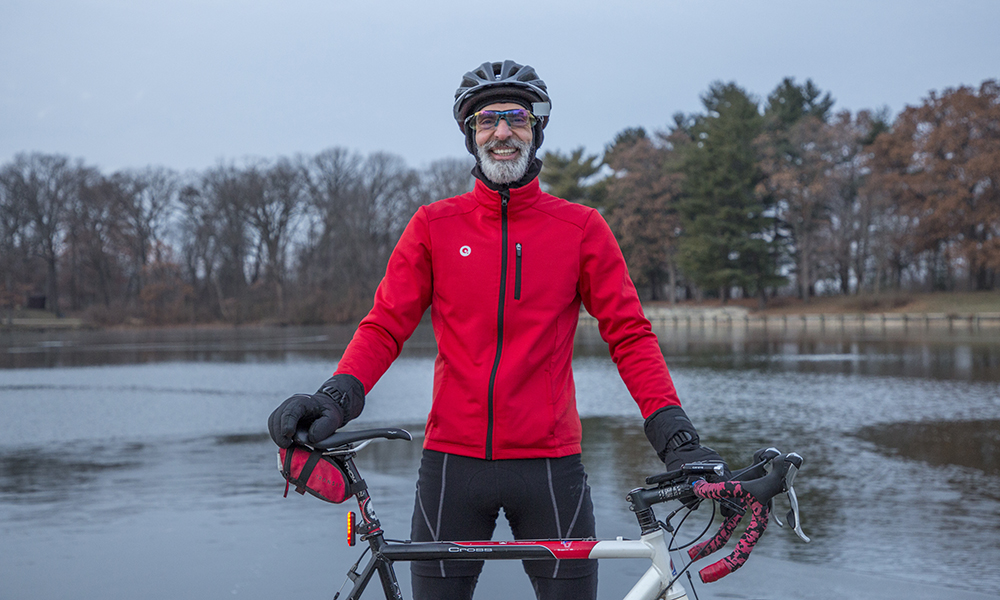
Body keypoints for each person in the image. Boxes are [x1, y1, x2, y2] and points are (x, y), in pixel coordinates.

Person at [268, 60, 726, 600]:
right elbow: (386, 326)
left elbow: (629, 335)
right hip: (453, 465)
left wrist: (672, 432)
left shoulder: (581, 228)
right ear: (471, 136)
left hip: (551, 465)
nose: (502, 132)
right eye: (487, 120)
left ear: (536, 130)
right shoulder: (434, 226)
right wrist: (337, 396)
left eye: (516, 118)